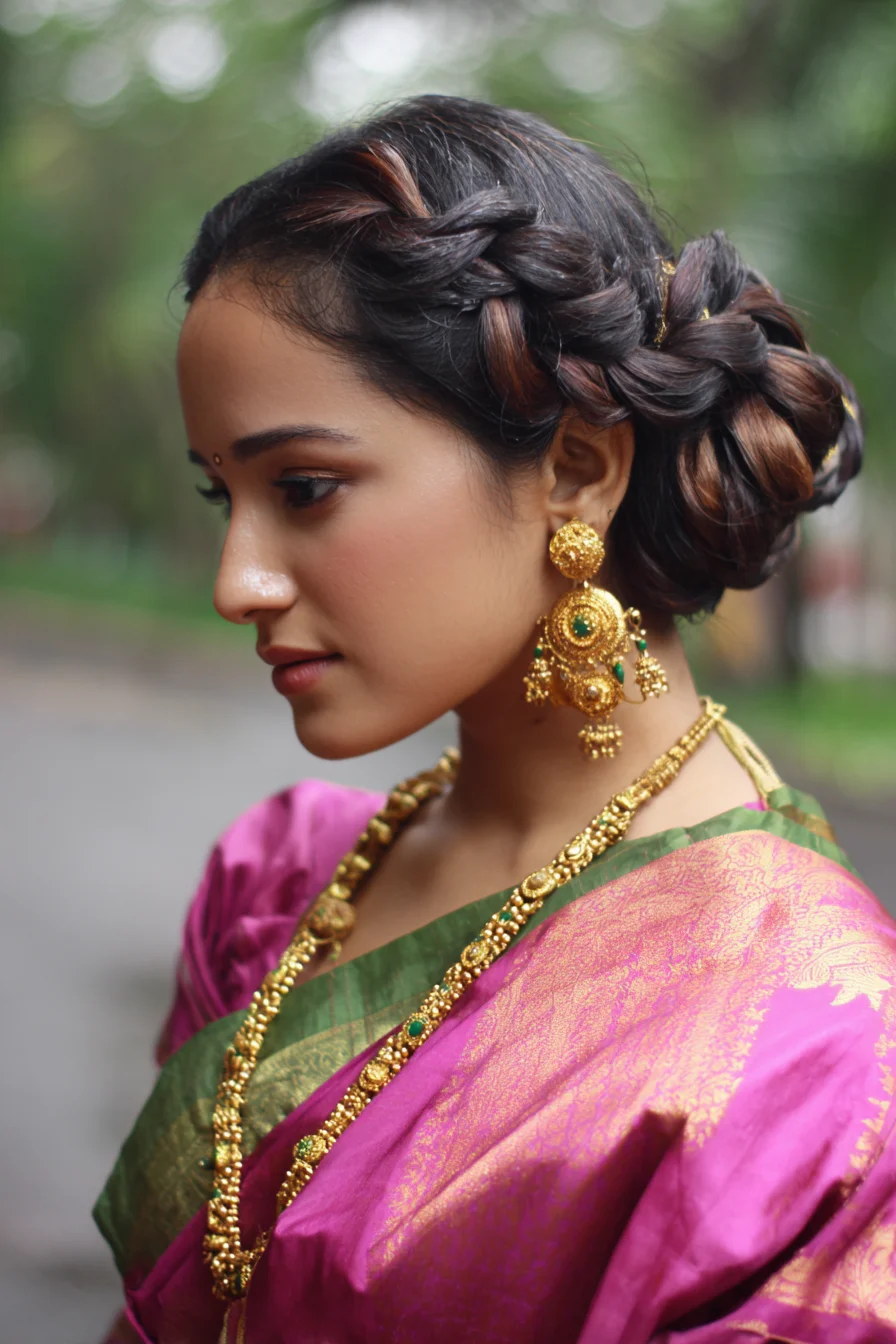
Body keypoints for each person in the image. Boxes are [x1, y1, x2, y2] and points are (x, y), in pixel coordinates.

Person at [95, 94, 896, 1343]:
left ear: (577, 466)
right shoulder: (280, 884)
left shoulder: (815, 1050)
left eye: (304, 488)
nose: (235, 581)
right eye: (225, 497)